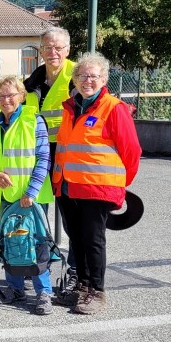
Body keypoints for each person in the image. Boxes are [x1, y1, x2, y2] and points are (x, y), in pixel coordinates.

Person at [52, 52, 141, 315]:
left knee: (93, 240)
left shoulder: (114, 108)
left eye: (94, 76)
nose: (87, 80)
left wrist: (119, 185)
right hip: (68, 186)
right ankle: (82, 286)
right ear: (74, 79)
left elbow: (131, 151)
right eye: (82, 75)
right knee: (76, 239)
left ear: (103, 79)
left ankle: (97, 291)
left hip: (97, 187)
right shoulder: (69, 107)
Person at [0, 75, 55, 314]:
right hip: (2, 197)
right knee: (9, 244)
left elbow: (43, 158)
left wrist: (32, 191)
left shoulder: (34, 120)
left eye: (11, 95)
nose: (7, 99)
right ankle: (16, 289)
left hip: (29, 198)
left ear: (21, 96)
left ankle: (43, 293)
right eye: (2, 96)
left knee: (35, 244)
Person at [24, 26, 78, 291]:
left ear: (68, 50)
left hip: (68, 157)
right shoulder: (31, 83)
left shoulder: (77, 77)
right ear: (40, 51)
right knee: (37, 215)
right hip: (40, 156)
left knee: (71, 218)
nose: (53, 52)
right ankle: (37, 267)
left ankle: (76, 272)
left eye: (58, 48)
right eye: (47, 48)